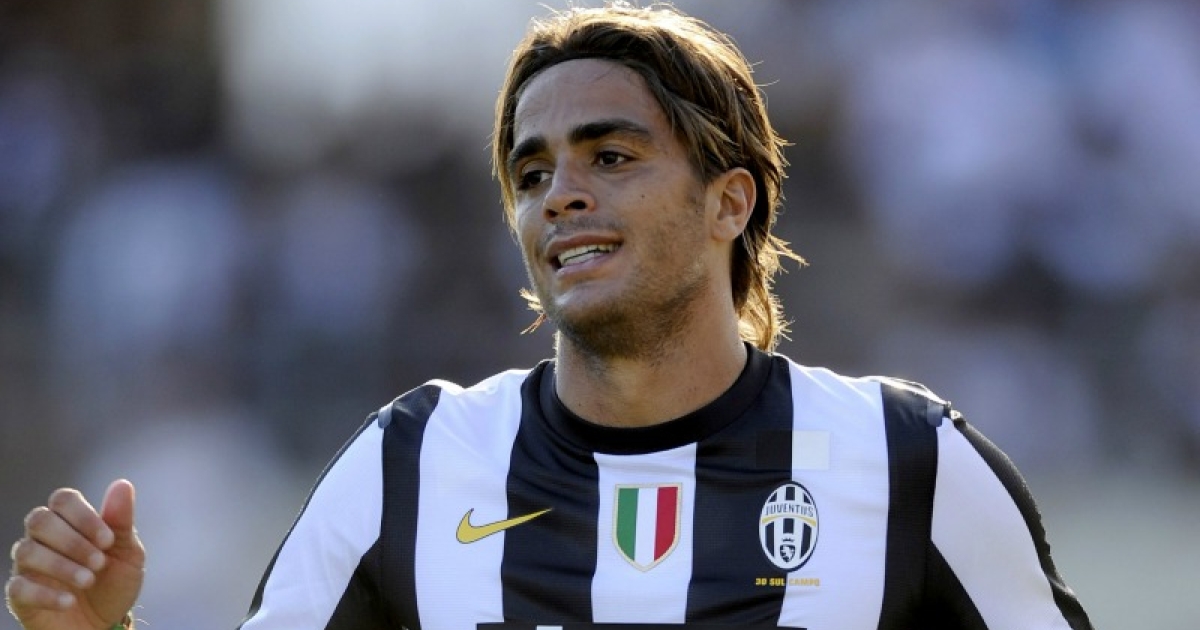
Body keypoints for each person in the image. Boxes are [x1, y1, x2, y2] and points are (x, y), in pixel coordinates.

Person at [7, 3, 1093, 629]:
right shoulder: (411, 463)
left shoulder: (909, 461)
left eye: (611, 157)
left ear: (730, 202)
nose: (560, 195)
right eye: (532, 175)